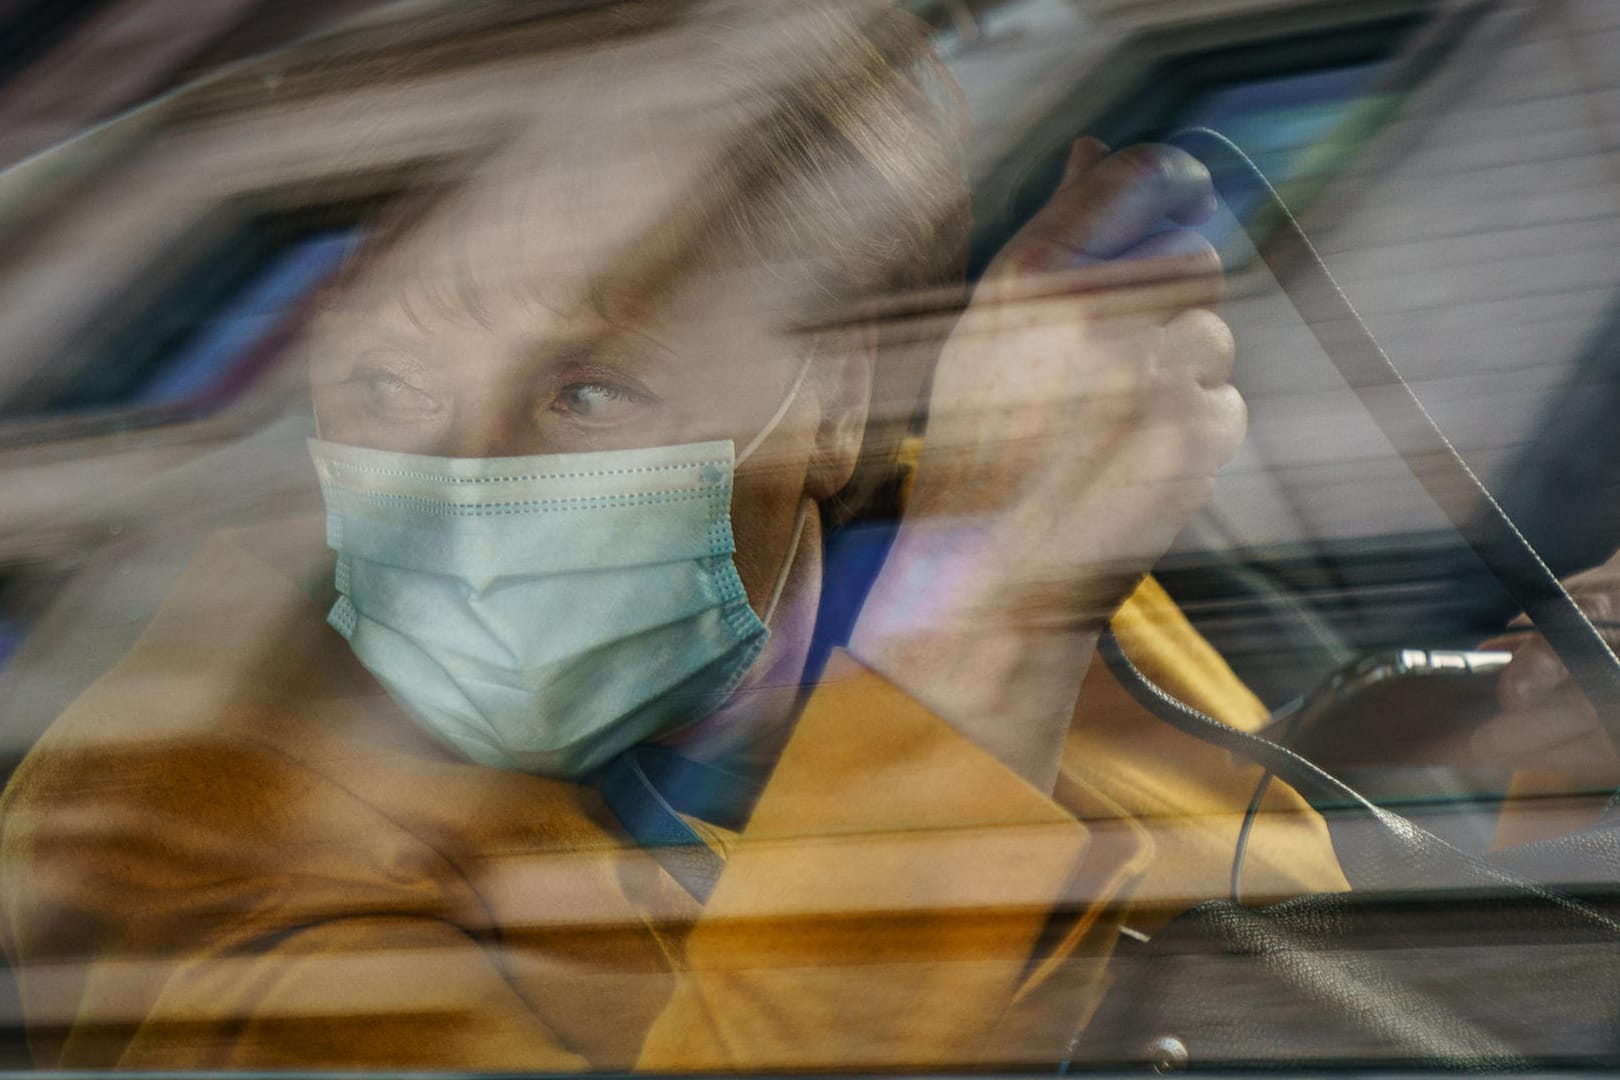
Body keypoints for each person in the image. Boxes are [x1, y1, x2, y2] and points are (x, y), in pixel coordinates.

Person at [0, 0, 1348, 1070]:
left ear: (840, 404)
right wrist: (990, 623)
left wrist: (1517, 768)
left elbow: (1314, 955)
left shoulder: (982, 557)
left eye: (589, 391)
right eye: (386, 387)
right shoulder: (152, 818)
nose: (448, 484)